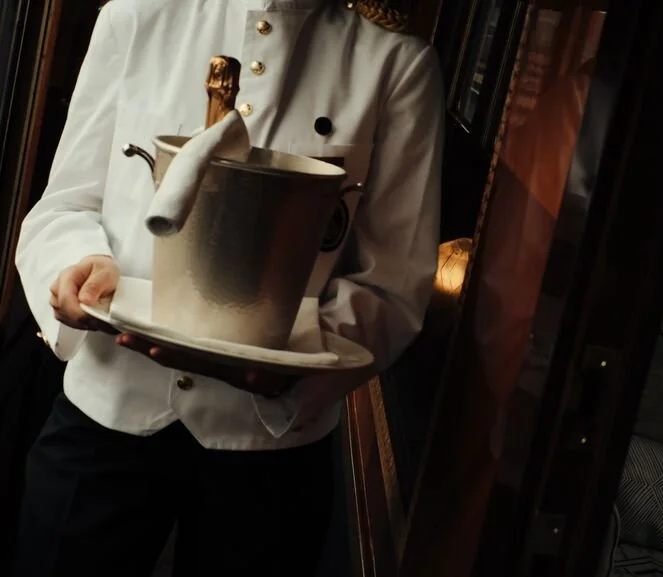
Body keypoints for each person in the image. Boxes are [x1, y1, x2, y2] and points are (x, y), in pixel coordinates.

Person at [12, 0, 443, 575]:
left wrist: (288, 372)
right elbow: (64, 206)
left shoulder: (395, 64)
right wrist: (75, 265)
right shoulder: (137, 17)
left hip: (272, 457)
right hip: (107, 415)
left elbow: (392, 284)